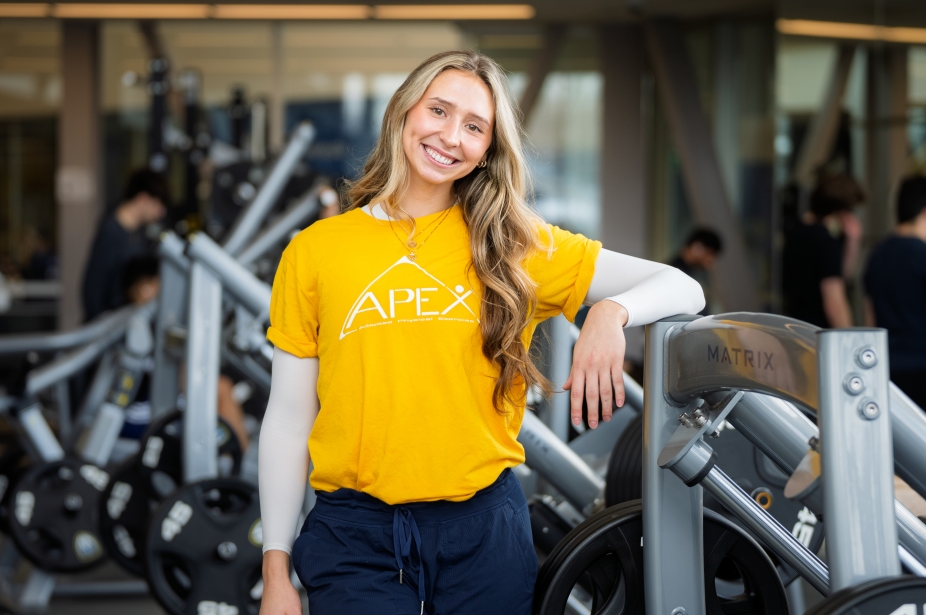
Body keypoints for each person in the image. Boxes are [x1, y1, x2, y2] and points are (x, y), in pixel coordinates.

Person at [258, 50, 705, 615]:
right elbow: (288, 416)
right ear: (403, 111)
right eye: (439, 110)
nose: (451, 136)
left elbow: (682, 287)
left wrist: (610, 313)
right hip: (355, 532)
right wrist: (276, 569)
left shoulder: (511, 243)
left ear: (489, 150)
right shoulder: (316, 251)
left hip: (482, 530)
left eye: (475, 127)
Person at [119, 255, 251, 449]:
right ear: (145, 289)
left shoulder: (140, 322)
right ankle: (233, 461)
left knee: (218, 388)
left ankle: (232, 459)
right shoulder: (138, 326)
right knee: (221, 388)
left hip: (153, 404)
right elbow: (176, 378)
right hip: (139, 414)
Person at [864, 176, 926, 409]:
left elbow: (870, 318)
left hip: (887, 371)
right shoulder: (922, 254)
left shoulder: (876, 255)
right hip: (922, 366)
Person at [81, 169, 168, 322]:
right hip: (108, 329)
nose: (160, 212)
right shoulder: (112, 232)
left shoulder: (139, 234)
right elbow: (92, 291)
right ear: (142, 199)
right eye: (157, 204)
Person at [782, 172, 864, 328]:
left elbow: (839, 276)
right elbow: (834, 303)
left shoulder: (797, 233)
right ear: (842, 211)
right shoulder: (825, 242)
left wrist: (852, 244)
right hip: (819, 335)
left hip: (796, 329)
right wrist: (849, 342)